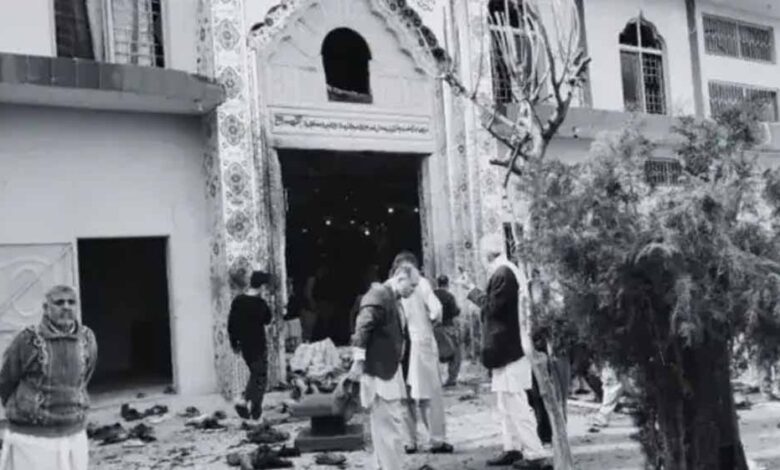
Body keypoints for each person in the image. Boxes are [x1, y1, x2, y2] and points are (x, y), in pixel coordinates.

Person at [460, 234, 550, 468]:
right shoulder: (507, 272)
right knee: (505, 402)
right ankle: (512, 447)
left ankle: (535, 454)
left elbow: (493, 309)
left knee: (516, 402)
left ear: (487, 254)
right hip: (506, 348)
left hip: (510, 348)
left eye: (481, 254)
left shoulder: (503, 274)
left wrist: (472, 290)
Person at [0, 285, 97, 470]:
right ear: (46, 308)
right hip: (33, 437)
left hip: (73, 432)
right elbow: (6, 379)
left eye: (71, 302)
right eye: (59, 302)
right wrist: (24, 407)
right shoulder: (27, 340)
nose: (66, 307)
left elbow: (84, 377)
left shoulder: (87, 338)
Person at [347, 263, 419, 470]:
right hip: (380, 371)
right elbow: (362, 327)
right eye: (412, 285)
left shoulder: (391, 298)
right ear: (400, 278)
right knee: (389, 424)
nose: (413, 290)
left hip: (388, 368)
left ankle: (383, 465)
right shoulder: (379, 295)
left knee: (384, 425)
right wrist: (358, 361)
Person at [392, 252, 453, 454]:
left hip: (405, 345)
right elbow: (437, 310)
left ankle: (410, 441)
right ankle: (436, 440)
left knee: (406, 396)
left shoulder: (393, 286)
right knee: (428, 395)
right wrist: (432, 320)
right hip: (416, 343)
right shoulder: (422, 283)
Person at [228, 270, 273, 421]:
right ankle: (246, 401)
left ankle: (255, 408)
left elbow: (231, 324)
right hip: (258, 343)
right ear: (262, 286)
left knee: (257, 374)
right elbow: (267, 319)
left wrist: (234, 342)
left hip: (245, 344)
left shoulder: (238, 301)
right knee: (259, 375)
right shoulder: (260, 304)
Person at [434, 275, 462, 387]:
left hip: (434, 328)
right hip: (448, 327)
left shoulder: (432, 295)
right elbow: (455, 312)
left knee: (434, 354)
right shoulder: (449, 296)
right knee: (456, 354)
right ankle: (451, 379)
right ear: (447, 284)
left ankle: (435, 379)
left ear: (437, 283)